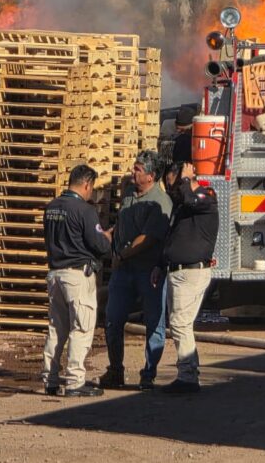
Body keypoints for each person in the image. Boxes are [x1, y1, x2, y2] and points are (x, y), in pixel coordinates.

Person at [100, 150, 173, 390]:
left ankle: (148, 374)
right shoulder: (130, 193)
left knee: (155, 322)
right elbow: (122, 223)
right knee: (112, 319)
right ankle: (115, 370)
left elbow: (148, 238)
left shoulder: (161, 202)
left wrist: (122, 254)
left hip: (148, 271)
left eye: (138, 170)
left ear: (151, 176)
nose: (133, 172)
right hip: (123, 271)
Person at [41, 164, 112, 397]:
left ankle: (50, 379)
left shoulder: (52, 207)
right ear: (86, 184)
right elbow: (99, 246)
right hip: (77, 275)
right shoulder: (84, 210)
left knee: (56, 329)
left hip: (55, 274)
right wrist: (107, 237)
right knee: (81, 328)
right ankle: (74, 381)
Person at [153, 162, 219, 393]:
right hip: (178, 271)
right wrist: (161, 265)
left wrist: (184, 179)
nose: (173, 191)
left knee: (180, 323)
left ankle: (187, 377)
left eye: (174, 185)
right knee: (183, 324)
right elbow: (172, 237)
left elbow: (190, 199)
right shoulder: (182, 206)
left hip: (191, 272)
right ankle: (190, 371)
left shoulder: (205, 197)